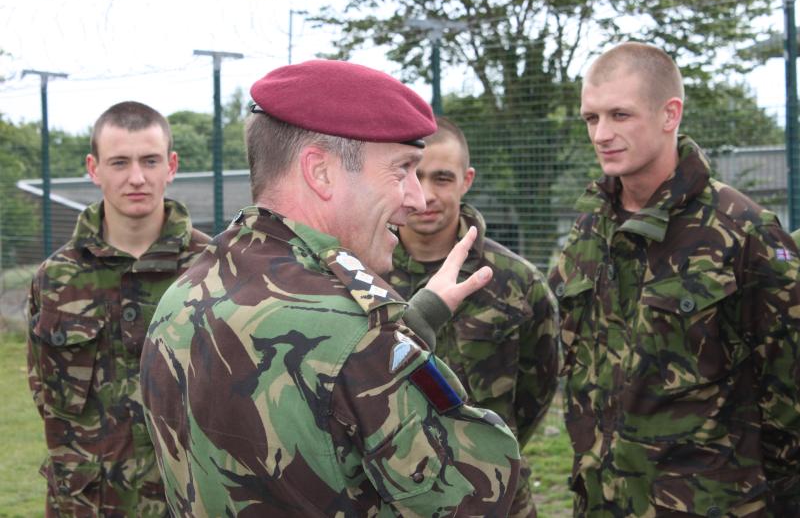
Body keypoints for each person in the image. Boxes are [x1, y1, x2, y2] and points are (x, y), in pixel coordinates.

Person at [140, 60, 521, 517]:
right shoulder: (357, 331)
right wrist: (395, 340)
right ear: (320, 172)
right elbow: (477, 497)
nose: (416, 199)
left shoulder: (182, 295)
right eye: (402, 170)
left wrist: (407, 327)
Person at [549, 41, 800, 517]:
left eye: (620, 115)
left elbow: (789, 397)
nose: (602, 134)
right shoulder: (588, 230)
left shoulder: (741, 231)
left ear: (669, 115)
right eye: (591, 118)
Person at [26, 101, 210, 517]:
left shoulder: (214, 269)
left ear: (172, 165)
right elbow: (44, 395)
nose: (137, 178)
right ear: (94, 169)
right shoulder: (55, 278)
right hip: (86, 503)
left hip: (189, 504)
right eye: (119, 162)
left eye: (150, 160)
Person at [386, 116, 559, 518]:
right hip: (390, 498)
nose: (426, 195)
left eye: (443, 179)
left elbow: (539, 387)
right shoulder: (360, 271)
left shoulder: (516, 281)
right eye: (413, 174)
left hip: (494, 495)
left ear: (467, 180)